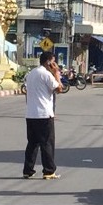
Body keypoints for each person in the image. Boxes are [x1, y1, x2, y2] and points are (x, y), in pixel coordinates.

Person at [23, 51, 63, 180]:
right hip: (44, 114)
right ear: (49, 62)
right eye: (53, 61)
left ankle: (28, 170)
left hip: (31, 114)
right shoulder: (46, 74)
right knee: (47, 143)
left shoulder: (31, 74)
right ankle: (49, 170)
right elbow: (59, 89)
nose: (55, 64)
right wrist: (56, 73)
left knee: (32, 143)